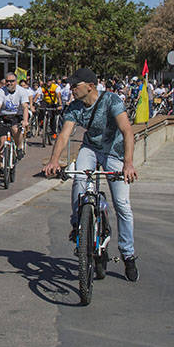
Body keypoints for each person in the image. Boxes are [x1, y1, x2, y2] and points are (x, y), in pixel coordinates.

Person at [42, 68, 139, 283]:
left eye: (75, 86)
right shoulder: (75, 107)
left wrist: (128, 164)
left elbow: (127, 131)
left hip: (114, 152)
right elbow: (65, 134)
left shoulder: (111, 100)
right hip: (90, 149)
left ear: (90, 86)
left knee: (122, 204)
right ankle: (79, 225)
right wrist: (54, 160)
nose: (71, 89)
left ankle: (128, 254)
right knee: (79, 179)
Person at [0, 72, 30, 175]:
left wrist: (25, 121)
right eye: (7, 81)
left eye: (12, 81)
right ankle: (2, 167)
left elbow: (25, 107)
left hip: (17, 115)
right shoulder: (1, 92)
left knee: (16, 129)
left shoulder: (22, 91)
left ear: (16, 82)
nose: (9, 83)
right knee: (1, 144)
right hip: (4, 116)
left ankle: (19, 146)